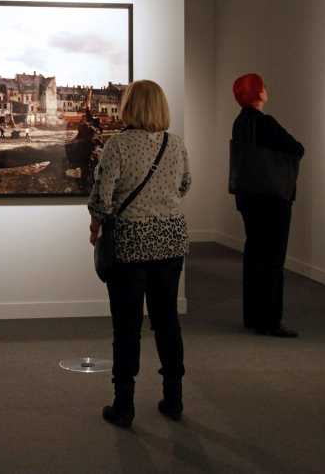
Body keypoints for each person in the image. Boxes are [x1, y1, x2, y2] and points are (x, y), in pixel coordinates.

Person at [88, 80, 191, 428]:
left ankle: (124, 404)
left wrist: (97, 224)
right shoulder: (175, 144)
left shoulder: (116, 146)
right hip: (170, 240)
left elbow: (101, 198)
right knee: (167, 321)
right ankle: (174, 397)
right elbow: (185, 184)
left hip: (130, 244)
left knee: (127, 326)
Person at [230, 74, 305, 338]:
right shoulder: (266, 123)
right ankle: (270, 320)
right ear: (259, 93)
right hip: (273, 199)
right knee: (273, 259)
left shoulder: (239, 123)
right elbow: (297, 148)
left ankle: (252, 315)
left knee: (254, 254)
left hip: (248, 198)